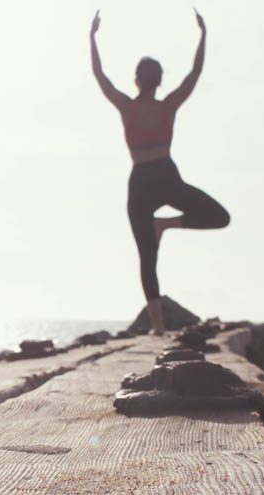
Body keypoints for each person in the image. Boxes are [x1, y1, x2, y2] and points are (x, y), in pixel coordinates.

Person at [90, 8, 230, 335]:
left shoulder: (128, 106)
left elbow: (100, 77)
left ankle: (157, 326)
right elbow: (194, 74)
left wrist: (92, 38)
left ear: (137, 80)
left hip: (141, 180)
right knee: (219, 217)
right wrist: (203, 36)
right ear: (159, 80)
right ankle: (166, 224)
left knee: (146, 257)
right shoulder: (168, 106)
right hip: (166, 176)